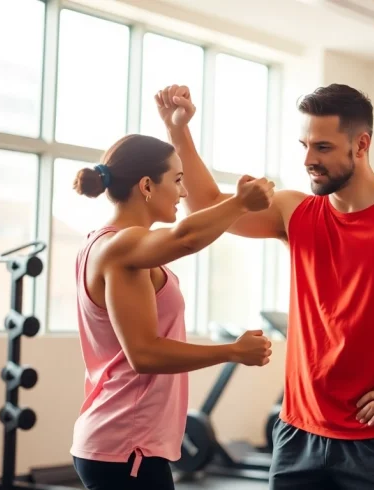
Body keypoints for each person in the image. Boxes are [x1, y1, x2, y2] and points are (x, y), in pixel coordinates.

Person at [154, 83, 374, 489]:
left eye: (322, 147)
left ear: (361, 145)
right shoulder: (294, 211)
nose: (307, 160)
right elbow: (208, 207)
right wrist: (178, 131)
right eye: (304, 145)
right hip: (297, 436)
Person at [69, 133, 275, 490]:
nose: (182, 192)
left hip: (120, 443)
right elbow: (145, 353)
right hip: (126, 446)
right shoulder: (122, 246)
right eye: (177, 180)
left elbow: (181, 238)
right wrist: (232, 351)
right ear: (147, 186)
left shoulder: (110, 244)